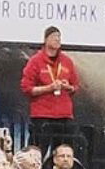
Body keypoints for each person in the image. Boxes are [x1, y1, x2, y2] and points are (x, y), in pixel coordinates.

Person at [21, 26, 79, 156]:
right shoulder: (35, 61)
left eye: (59, 37)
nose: (57, 40)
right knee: (37, 153)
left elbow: (75, 86)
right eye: (54, 37)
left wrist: (68, 87)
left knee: (63, 153)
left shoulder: (66, 61)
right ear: (46, 40)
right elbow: (27, 88)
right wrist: (49, 88)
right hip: (42, 115)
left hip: (64, 115)